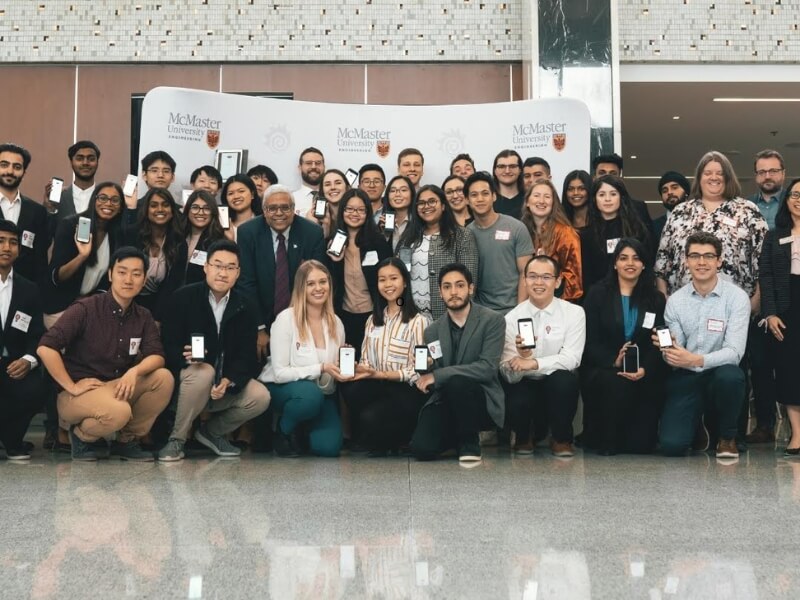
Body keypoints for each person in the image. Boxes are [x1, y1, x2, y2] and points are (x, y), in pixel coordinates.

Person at [37, 246, 175, 461]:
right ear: (110, 274)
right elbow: (46, 348)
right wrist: (71, 386)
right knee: (120, 411)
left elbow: (157, 355)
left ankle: (125, 441)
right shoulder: (86, 308)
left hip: (115, 387)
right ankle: (81, 437)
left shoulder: (143, 315)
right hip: (79, 393)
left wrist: (135, 372)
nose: (128, 279)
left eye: (136, 274)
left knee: (163, 378)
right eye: (122, 272)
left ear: (143, 279)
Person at [159, 239, 270, 461]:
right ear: (206, 267)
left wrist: (229, 380)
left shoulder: (246, 305)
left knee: (260, 396)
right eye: (217, 265)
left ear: (238, 273)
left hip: (221, 388)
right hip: (186, 387)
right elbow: (167, 345)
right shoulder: (183, 298)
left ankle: (211, 432)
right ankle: (176, 440)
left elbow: (246, 356)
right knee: (203, 372)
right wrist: (184, 357)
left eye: (230, 267)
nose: (223, 273)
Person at [656, 232, 750, 459]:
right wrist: (669, 351)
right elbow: (675, 354)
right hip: (687, 375)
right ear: (686, 261)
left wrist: (697, 360)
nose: (701, 262)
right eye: (695, 256)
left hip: (719, 373)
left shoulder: (737, 298)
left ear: (719, 261)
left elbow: (734, 353)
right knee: (672, 446)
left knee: (731, 376)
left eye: (708, 256)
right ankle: (698, 422)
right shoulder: (675, 301)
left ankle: (727, 438)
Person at [410, 263, 505, 462]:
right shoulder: (432, 331)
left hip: (480, 399)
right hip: (446, 398)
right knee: (421, 449)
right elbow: (435, 376)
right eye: (447, 287)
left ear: (471, 288)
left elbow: (487, 369)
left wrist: (437, 375)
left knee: (458, 382)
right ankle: (456, 437)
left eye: (459, 285)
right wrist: (428, 367)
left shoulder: (492, 320)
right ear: (440, 292)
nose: (453, 292)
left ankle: (469, 443)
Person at [581, 238, 666, 455]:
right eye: (623, 258)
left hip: (642, 371)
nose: (630, 263)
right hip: (605, 368)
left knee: (641, 447)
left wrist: (644, 368)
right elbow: (589, 341)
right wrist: (614, 360)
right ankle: (606, 439)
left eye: (636, 258)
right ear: (615, 263)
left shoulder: (656, 299)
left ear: (644, 264)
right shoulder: (597, 294)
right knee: (615, 382)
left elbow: (659, 342)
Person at [339, 258, 428, 456]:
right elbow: (366, 361)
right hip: (377, 386)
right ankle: (381, 435)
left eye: (393, 278)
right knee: (349, 389)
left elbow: (417, 371)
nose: (388, 284)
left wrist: (382, 375)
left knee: (370, 417)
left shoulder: (418, 321)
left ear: (405, 282)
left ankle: (398, 436)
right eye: (382, 280)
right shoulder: (372, 320)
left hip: (405, 390)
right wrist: (356, 367)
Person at [259, 260, 348, 457]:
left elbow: (330, 380)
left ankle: (302, 427)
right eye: (311, 284)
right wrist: (321, 367)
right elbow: (280, 373)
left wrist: (342, 369)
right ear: (301, 288)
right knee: (309, 396)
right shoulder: (286, 319)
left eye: (323, 282)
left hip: (320, 394)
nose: (318, 288)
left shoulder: (336, 323)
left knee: (328, 448)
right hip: (282, 389)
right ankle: (282, 432)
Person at [655, 151, 768, 304]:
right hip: (684, 305)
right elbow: (662, 260)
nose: (713, 177)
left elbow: (764, 259)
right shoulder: (680, 212)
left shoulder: (747, 210)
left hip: (735, 306)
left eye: (720, 173)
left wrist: (757, 301)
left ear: (728, 177)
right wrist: (664, 299)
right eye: (707, 173)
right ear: (699, 178)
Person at [501, 255, 585, 457]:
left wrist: (533, 363)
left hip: (555, 381)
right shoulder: (511, 318)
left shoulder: (574, 313)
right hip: (525, 383)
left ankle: (561, 438)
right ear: (524, 280)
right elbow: (506, 373)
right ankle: (523, 436)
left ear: (557, 281)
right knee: (515, 391)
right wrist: (520, 359)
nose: (538, 283)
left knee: (565, 380)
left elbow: (572, 358)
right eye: (532, 276)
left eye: (546, 277)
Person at [237, 184, 326, 362]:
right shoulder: (247, 232)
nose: (279, 213)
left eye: (285, 207)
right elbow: (246, 283)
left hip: (301, 316)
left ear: (294, 209)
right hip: (261, 315)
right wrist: (259, 328)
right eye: (272, 208)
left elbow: (316, 283)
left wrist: (303, 325)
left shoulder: (312, 233)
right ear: (264, 210)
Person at [746, 149, 786, 444]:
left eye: (773, 171)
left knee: (791, 362)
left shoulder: (794, 201)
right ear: (756, 176)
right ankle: (765, 424)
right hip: (757, 295)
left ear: (783, 173)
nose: (768, 176)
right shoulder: (746, 208)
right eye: (762, 171)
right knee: (760, 362)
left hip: (790, 292)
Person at [758, 177, 800, 456]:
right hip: (787, 307)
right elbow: (766, 275)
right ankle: (797, 434)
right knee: (789, 369)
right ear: (786, 200)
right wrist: (770, 313)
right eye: (795, 194)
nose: (799, 200)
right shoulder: (774, 235)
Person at [43, 182, 125, 326]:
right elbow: (57, 276)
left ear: (120, 207)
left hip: (90, 308)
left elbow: (107, 281)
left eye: (115, 200)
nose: (108, 203)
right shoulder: (70, 225)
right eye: (103, 198)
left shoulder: (116, 235)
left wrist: (90, 303)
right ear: (94, 200)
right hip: (60, 306)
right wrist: (82, 256)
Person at [0, 220, 47, 460]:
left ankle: (12, 440)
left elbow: (37, 333)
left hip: (13, 363)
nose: (6, 247)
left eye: (13, 242)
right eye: (0, 241)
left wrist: (29, 360)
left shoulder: (29, 289)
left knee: (37, 388)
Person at [397, 185, 479, 320]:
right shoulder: (408, 238)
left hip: (448, 315)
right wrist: (400, 308)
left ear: (443, 205)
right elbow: (400, 277)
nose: (426, 206)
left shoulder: (462, 235)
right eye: (421, 203)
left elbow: (470, 280)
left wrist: (461, 317)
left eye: (432, 201)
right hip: (412, 316)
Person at [325, 189, 392, 355]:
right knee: (346, 360)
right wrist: (335, 262)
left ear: (367, 213)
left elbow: (390, 278)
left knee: (372, 359)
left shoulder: (378, 242)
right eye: (349, 209)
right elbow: (327, 284)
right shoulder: (332, 242)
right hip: (342, 315)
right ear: (342, 211)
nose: (355, 214)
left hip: (374, 314)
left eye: (361, 210)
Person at [466, 172, 533, 314]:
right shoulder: (466, 234)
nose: (480, 199)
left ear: (494, 196)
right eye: (474, 195)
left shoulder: (516, 227)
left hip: (513, 309)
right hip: (480, 311)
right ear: (467, 200)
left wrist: (519, 311)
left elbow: (526, 272)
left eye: (485, 193)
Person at [123, 187, 187, 322]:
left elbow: (173, 285)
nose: (160, 209)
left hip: (162, 307)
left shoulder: (179, 242)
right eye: (153, 205)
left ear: (172, 211)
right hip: (128, 302)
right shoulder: (131, 235)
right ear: (146, 210)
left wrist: (157, 318)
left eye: (165, 205)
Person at [581, 175, 651, 293]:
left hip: (637, 292)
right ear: (594, 199)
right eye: (602, 195)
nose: (607, 199)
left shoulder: (636, 229)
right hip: (600, 295)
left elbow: (647, 264)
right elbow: (587, 275)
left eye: (613, 194)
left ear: (621, 197)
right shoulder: (587, 235)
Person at [520, 179, 582, 302]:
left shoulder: (565, 233)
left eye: (547, 197)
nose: (541, 201)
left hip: (557, 303)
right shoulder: (521, 230)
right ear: (527, 202)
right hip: (527, 302)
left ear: (553, 203)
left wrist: (559, 306)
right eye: (536, 195)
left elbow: (573, 279)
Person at [0, 143, 49, 284]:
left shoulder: (37, 212)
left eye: (17, 167)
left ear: (23, 173)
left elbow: (40, 261)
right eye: (4, 165)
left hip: (24, 289)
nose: (10, 171)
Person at [44, 140, 100, 231]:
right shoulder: (58, 198)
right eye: (79, 158)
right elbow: (47, 234)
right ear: (71, 162)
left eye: (91, 159)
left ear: (97, 162)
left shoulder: (105, 198)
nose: (85, 163)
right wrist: (49, 208)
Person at [591, 153, 653, 233]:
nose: (607, 177)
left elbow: (649, 239)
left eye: (613, 174)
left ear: (620, 179)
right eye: (602, 173)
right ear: (594, 178)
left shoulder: (638, 208)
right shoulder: (587, 208)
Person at [182, 190, 226, 285]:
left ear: (213, 212)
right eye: (195, 207)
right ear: (187, 210)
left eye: (207, 208)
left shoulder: (219, 242)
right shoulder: (178, 236)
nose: (201, 212)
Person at [304, 168, 349, 239]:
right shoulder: (313, 216)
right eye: (327, 184)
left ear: (347, 187)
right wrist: (325, 225)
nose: (333, 187)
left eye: (338, 183)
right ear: (322, 190)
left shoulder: (354, 212)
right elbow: (312, 244)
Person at [221, 173, 261, 242]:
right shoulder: (221, 225)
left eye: (241, 191)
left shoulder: (263, 223)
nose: (236, 196)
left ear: (252, 194)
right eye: (230, 193)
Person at [653, 171, 690, 241]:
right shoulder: (654, 226)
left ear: (686, 192)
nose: (669, 192)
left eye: (674, 187)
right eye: (664, 191)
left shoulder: (699, 219)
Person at [380, 175, 415, 249]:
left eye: (403, 190)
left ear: (412, 194)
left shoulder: (419, 221)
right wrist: (384, 235)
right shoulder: (382, 222)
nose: (397, 194)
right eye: (392, 191)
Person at [292, 147, 325, 214]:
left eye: (318, 163)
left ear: (324, 167)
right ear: (300, 168)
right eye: (308, 163)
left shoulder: (333, 197)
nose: (313, 167)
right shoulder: (291, 198)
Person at [492, 149, 524, 217]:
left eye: (512, 166)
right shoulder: (488, 200)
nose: (507, 171)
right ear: (495, 171)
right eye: (501, 167)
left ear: (520, 170)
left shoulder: (529, 199)